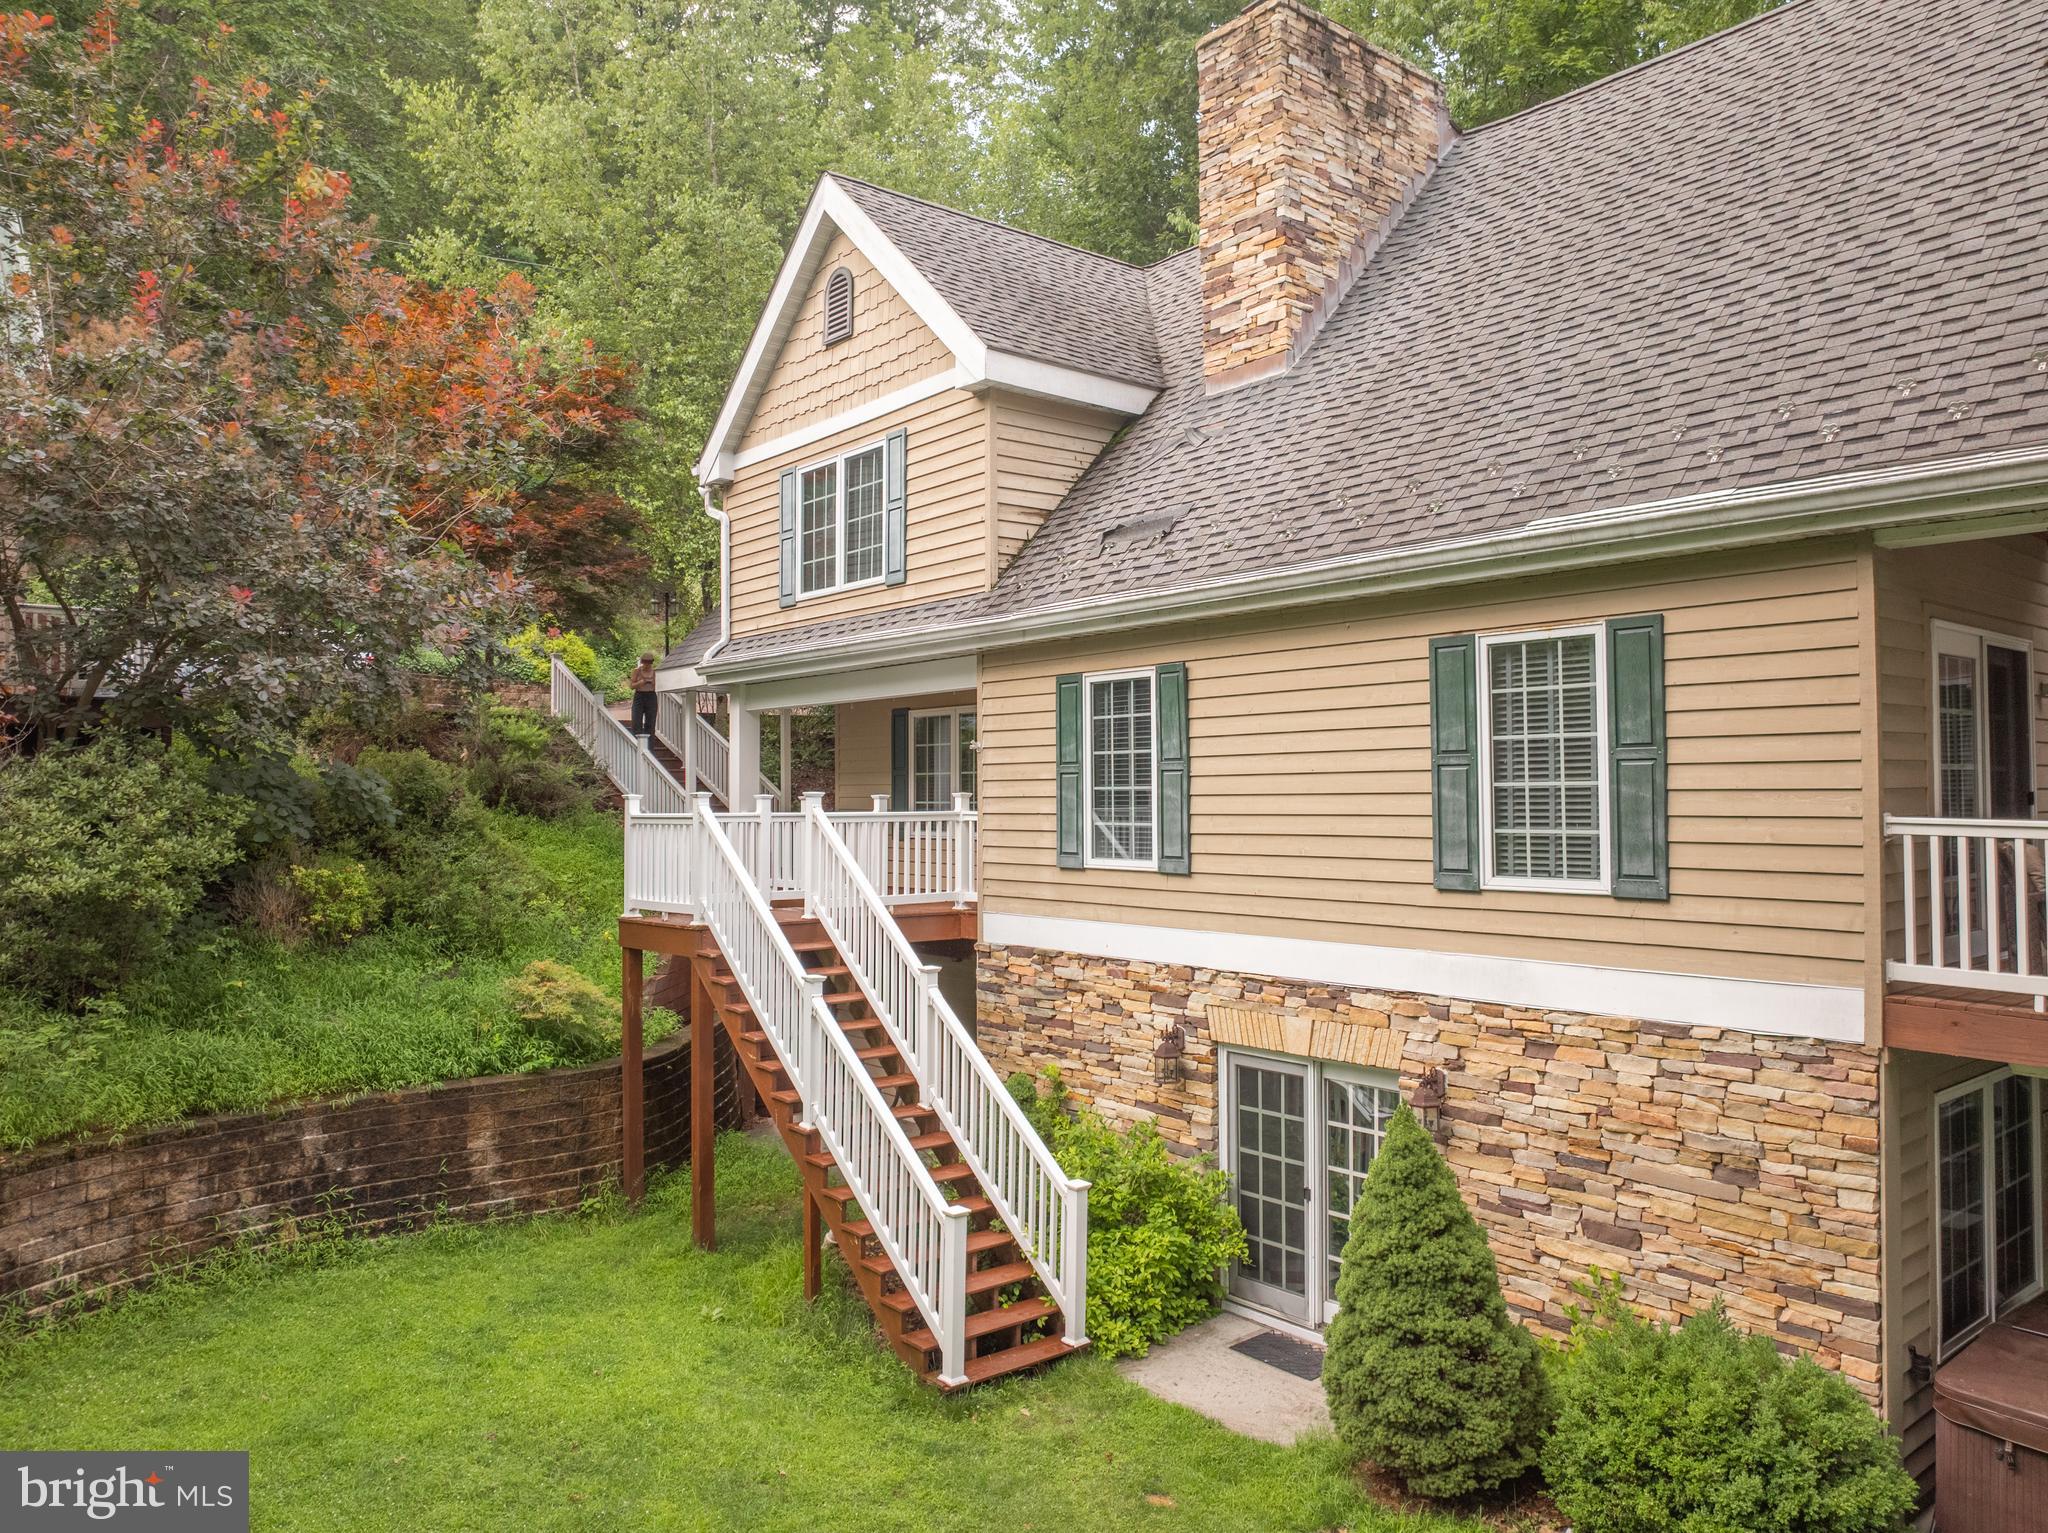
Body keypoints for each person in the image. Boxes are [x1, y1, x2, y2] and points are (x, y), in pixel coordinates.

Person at [628, 653, 658, 737]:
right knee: (636, 720)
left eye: (649, 662)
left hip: (651, 696)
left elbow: (658, 685)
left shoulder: (654, 672)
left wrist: (653, 683)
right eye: (645, 662)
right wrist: (640, 683)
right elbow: (631, 686)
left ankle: (649, 743)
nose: (646, 665)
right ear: (642, 662)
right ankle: (636, 741)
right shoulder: (637, 671)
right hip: (639, 695)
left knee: (650, 722)